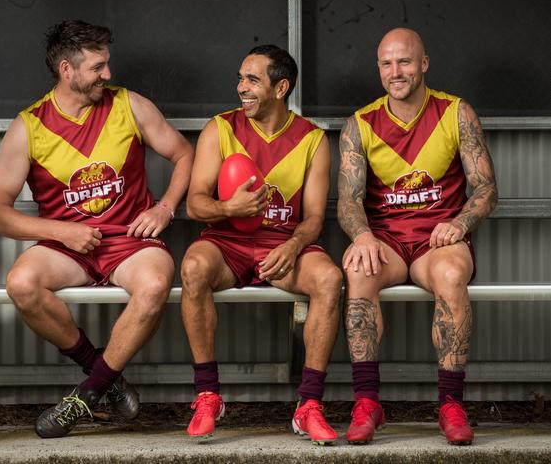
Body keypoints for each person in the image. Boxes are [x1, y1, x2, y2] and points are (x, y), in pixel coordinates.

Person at [0, 20, 194, 438]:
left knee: (154, 286)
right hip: (70, 246)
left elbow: (184, 154)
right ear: (67, 70)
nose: (108, 75)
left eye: (107, 64)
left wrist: (166, 208)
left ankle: (86, 395)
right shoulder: (29, 126)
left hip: (130, 242)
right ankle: (105, 374)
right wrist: (62, 232)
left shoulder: (130, 105)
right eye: (98, 67)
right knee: (21, 284)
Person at [337, 28, 497, 445]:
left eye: (405, 61)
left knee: (450, 275)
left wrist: (460, 224)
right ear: (378, 69)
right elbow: (349, 201)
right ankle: (367, 402)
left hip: (439, 239)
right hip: (386, 239)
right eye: (387, 64)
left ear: (423, 63)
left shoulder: (456, 113)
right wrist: (362, 236)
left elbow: (485, 189)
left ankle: (450, 404)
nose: (396, 71)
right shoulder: (360, 124)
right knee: (358, 271)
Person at [181, 45, 343, 444]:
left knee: (329, 279)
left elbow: (315, 219)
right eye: (240, 78)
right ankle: (208, 395)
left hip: (283, 245)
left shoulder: (313, 140)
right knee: (193, 268)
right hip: (227, 243)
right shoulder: (219, 129)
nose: (241, 88)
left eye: (252, 80)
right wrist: (228, 206)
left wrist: (293, 246)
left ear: (281, 87)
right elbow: (194, 204)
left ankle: (309, 405)